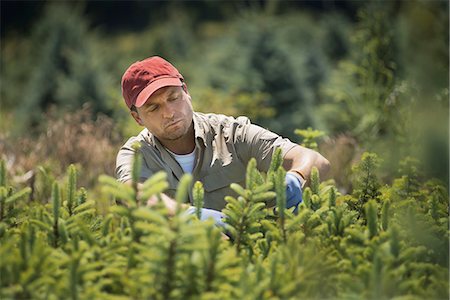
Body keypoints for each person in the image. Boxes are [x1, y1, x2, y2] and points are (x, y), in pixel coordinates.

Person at [116, 56, 330, 226]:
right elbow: (133, 193)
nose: (170, 113)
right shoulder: (136, 154)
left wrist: (295, 178)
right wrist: (187, 215)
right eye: (154, 107)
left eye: (173, 98)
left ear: (186, 92)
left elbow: (315, 160)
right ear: (137, 118)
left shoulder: (231, 133)